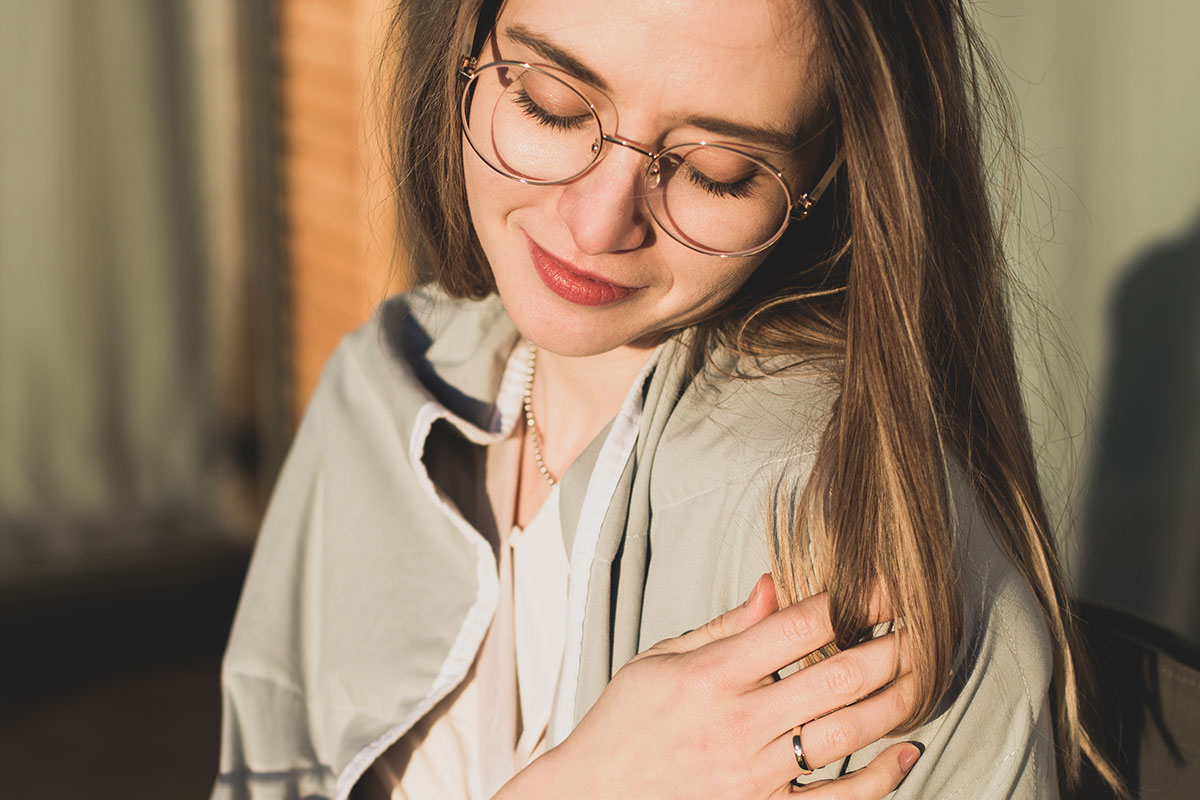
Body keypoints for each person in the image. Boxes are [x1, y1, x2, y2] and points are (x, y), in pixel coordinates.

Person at [213, 0, 1124, 798]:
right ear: (467, 38)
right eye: (551, 105)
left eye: (717, 169)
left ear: (830, 178)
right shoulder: (383, 383)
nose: (599, 222)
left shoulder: (826, 535)